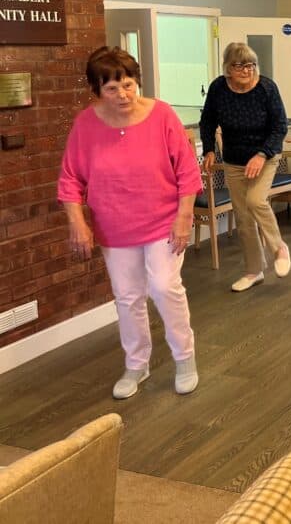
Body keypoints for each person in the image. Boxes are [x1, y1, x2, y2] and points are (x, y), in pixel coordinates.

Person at [58, 47, 202, 399]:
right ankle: (136, 364)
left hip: (163, 220)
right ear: (96, 90)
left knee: (165, 287)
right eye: (112, 89)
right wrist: (77, 222)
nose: (122, 94)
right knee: (127, 296)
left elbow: (187, 170)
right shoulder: (86, 124)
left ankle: (185, 359)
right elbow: (70, 179)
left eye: (128, 84)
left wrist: (184, 218)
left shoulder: (162, 115)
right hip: (114, 225)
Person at [200, 42, 291, 292]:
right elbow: (208, 120)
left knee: (256, 201)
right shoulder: (219, 88)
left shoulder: (266, 88)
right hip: (234, 160)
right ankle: (254, 271)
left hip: (265, 156)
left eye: (251, 64)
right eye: (239, 65)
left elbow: (279, 126)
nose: (246, 70)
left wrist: (262, 154)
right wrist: (209, 148)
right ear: (228, 68)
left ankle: (278, 247)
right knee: (243, 218)